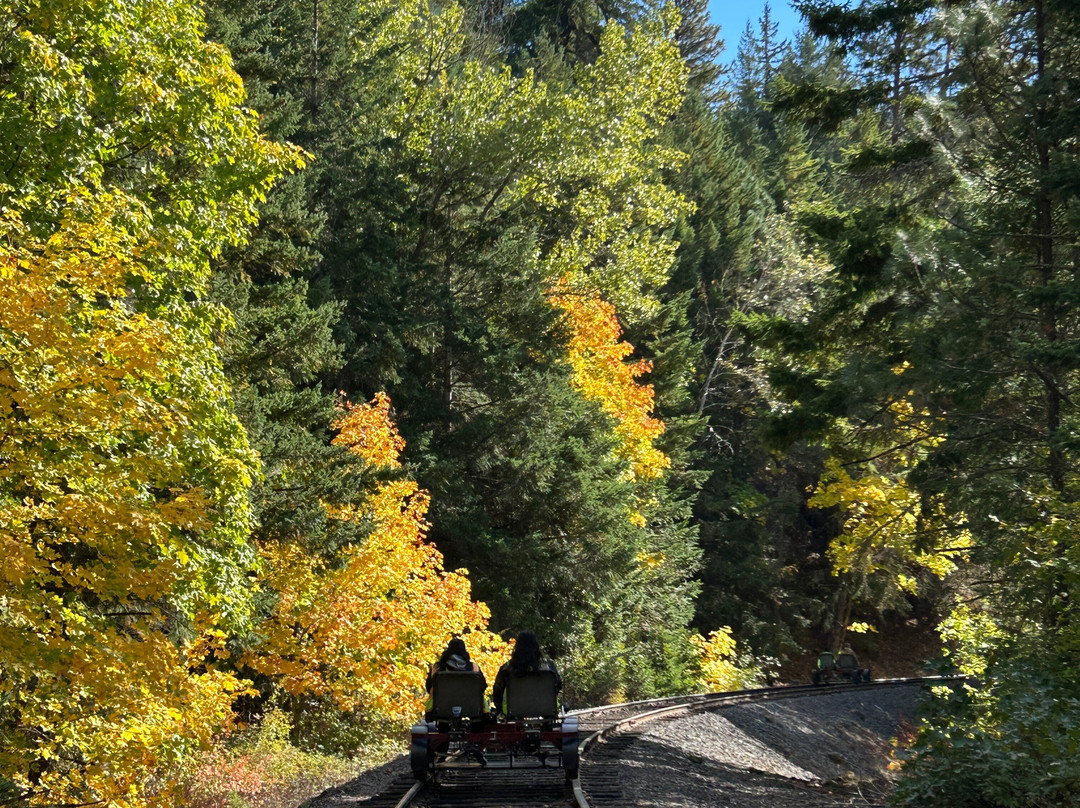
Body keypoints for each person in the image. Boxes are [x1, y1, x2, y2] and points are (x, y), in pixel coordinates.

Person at [492, 630, 561, 715]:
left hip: (514, 711)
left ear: (517, 647)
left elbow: (497, 692)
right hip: (546, 709)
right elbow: (558, 686)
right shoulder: (549, 666)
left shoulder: (507, 669)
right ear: (536, 646)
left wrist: (499, 709)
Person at [424, 637, 486, 720]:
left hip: (442, 707)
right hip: (471, 707)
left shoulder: (437, 668)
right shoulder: (474, 668)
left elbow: (429, 688)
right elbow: (483, 687)